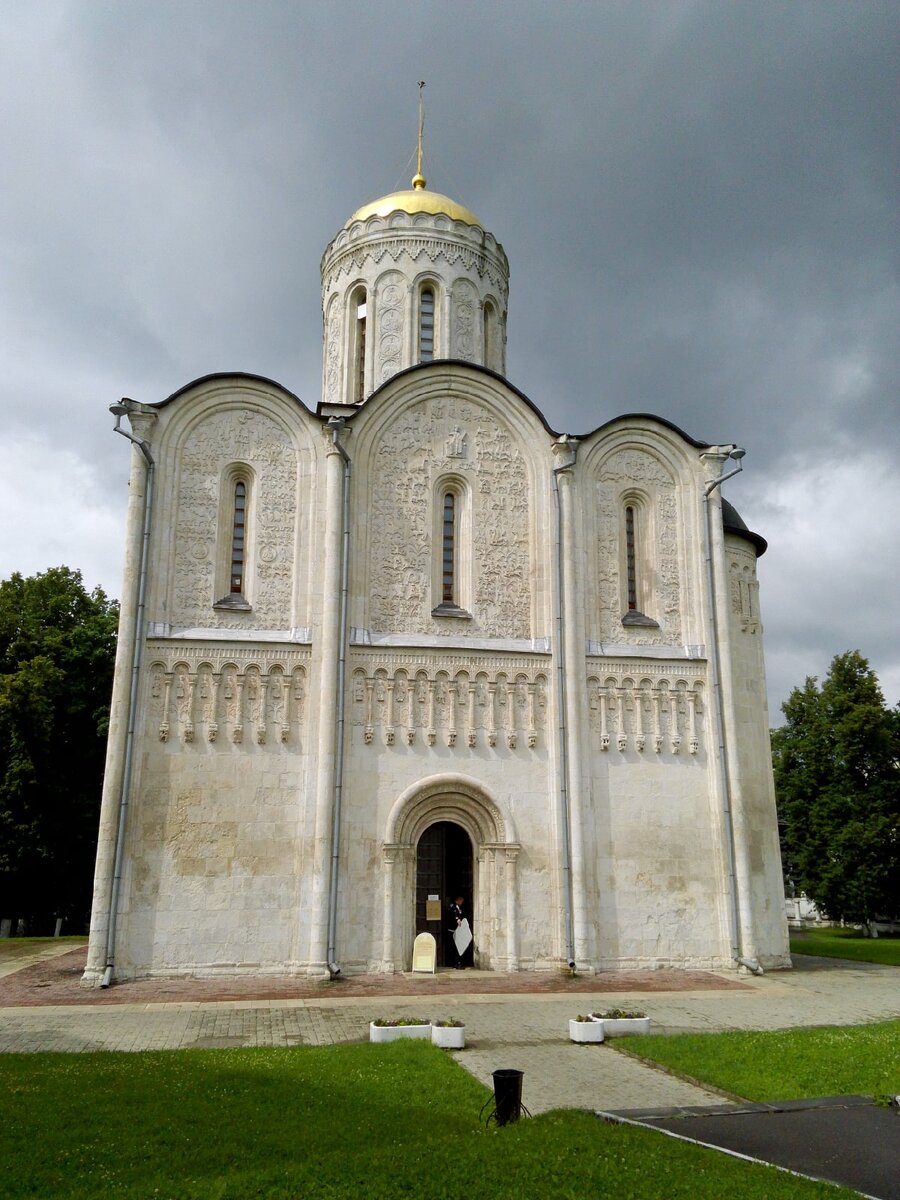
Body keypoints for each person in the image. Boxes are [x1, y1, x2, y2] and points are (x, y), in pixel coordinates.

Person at [447, 895, 466, 969]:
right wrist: (457, 919)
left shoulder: (459, 908)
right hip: (452, 930)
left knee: (459, 947)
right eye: (461, 900)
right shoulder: (452, 907)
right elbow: (453, 915)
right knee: (454, 947)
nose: (462, 902)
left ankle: (458, 962)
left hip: (459, 931)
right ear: (457, 900)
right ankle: (454, 963)